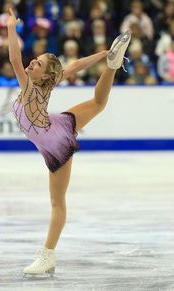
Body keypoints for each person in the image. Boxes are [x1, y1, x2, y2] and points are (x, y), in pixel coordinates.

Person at [7, 8, 131, 276]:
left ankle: (47, 256)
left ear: (44, 74)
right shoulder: (46, 83)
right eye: (35, 60)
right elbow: (73, 66)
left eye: (38, 63)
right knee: (98, 103)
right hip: (57, 124)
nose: (32, 63)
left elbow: (15, 59)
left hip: (56, 143)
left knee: (57, 203)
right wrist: (104, 55)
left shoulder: (29, 88)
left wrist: (10, 27)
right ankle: (111, 66)